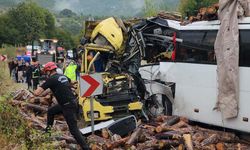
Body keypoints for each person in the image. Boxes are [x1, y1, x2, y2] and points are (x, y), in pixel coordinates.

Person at [33, 62, 89, 150]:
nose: (46, 74)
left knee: (73, 130)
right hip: (73, 102)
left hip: (67, 105)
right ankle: (48, 132)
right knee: (51, 111)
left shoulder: (51, 79)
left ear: (48, 71)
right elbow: (69, 84)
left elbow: (37, 93)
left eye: (46, 72)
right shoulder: (63, 76)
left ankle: (86, 148)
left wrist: (36, 93)